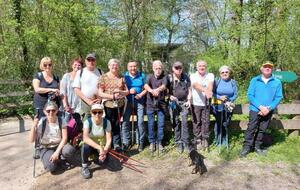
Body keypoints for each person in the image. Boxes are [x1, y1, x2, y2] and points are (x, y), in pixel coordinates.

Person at [240, 61, 283, 157]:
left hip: (268, 110)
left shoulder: (277, 82)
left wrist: (269, 108)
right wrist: (260, 107)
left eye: (270, 67)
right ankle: (246, 147)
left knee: (262, 129)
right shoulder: (255, 80)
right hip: (255, 109)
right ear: (261, 68)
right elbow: (250, 95)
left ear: (272, 69)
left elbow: (279, 97)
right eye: (265, 66)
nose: (267, 68)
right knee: (251, 128)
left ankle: (257, 147)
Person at [29, 101, 75, 173]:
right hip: (46, 147)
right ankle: (55, 159)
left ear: (57, 111)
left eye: (53, 110)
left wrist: (57, 152)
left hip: (59, 145)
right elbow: (31, 140)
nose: (51, 112)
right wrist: (33, 126)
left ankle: (61, 158)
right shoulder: (41, 122)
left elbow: (65, 138)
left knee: (69, 150)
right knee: (51, 168)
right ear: (44, 112)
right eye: (48, 111)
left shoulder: (61, 120)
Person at [98, 58, 128, 151]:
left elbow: (126, 92)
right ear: (109, 66)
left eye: (116, 65)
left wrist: (120, 91)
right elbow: (100, 93)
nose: (114, 67)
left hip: (120, 105)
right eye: (112, 65)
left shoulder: (121, 77)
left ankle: (117, 144)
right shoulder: (103, 77)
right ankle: (108, 143)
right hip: (108, 105)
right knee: (108, 123)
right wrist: (112, 96)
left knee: (117, 123)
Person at [81, 103, 112, 179]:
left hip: (102, 145)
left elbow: (109, 139)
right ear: (91, 113)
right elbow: (85, 138)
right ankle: (84, 166)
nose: (97, 114)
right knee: (85, 147)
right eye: (95, 112)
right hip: (91, 145)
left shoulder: (107, 122)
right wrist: (99, 148)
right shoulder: (87, 122)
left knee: (103, 162)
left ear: (102, 113)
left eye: (99, 112)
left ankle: (96, 157)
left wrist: (104, 151)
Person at [122, 61, 147, 152]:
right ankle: (126, 142)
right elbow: (122, 88)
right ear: (128, 67)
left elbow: (146, 88)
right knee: (125, 121)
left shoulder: (142, 75)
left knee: (140, 121)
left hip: (139, 101)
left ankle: (140, 142)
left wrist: (140, 94)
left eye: (134, 66)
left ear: (137, 67)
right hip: (127, 101)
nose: (133, 68)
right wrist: (128, 91)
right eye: (131, 66)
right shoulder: (124, 76)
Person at [144, 60, 168, 153]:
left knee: (160, 125)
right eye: (156, 68)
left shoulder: (164, 77)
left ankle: (159, 142)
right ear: (153, 69)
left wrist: (157, 90)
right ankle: (152, 142)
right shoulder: (149, 76)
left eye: (159, 68)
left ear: (162, 69)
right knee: (150, 124)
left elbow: (164, 86)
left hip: (161, 105)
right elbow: (145, 85)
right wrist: (151, 91)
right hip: (150, 105)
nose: (158, 70)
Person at [168, 61, 192, 153]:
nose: (178, 70)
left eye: (180, 68)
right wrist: (170, 96)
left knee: (185, 123)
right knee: (175, 122)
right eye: (176, 68)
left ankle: (185, 142)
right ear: (173, 69)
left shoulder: (186, 77)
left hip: (184, 103)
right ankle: (178, 142)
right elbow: (165, 90)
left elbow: (190, 90)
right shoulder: (169, 78)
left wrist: (189, 100)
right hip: (173, 103)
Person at [190, 60, 214, 151]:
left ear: (206, 67)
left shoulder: (210, 75)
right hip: (196, 102)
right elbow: (195, 85)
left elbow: (210, 85)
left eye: (203, 66)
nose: (202, 67)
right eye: (200, 66)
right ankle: (198, 140)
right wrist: (206, 91)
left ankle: (205, 139)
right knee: (197, 122)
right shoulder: (193, 75)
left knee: (206, 121)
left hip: (206, 103)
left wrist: (209, 91)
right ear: (197, 67)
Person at [212, 65, 238, 148]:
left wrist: (229, 101)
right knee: (218, 122)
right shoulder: (216, 81)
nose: (224, 73)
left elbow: (235, 94)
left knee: (226, 122)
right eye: (222, 72)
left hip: (228, 104)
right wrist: (220, 97)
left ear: (229, 73)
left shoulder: (233, 82)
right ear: (220, 74)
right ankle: (218, 139)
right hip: (217, 103)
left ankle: (225, 139)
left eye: (226, 72)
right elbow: (212, 93)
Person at [73, 53, 102, 121]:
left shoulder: (100, 72)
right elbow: (76, 89)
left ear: (95, 61)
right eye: (89, 60)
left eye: (93, 60)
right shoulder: (80, 72)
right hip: (85, 103)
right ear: (85, 61)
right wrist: (88, 101)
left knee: (98, 122)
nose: (91, 62)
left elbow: (103, 88)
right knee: (86, 123)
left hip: (98, 102)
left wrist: (100, 99)